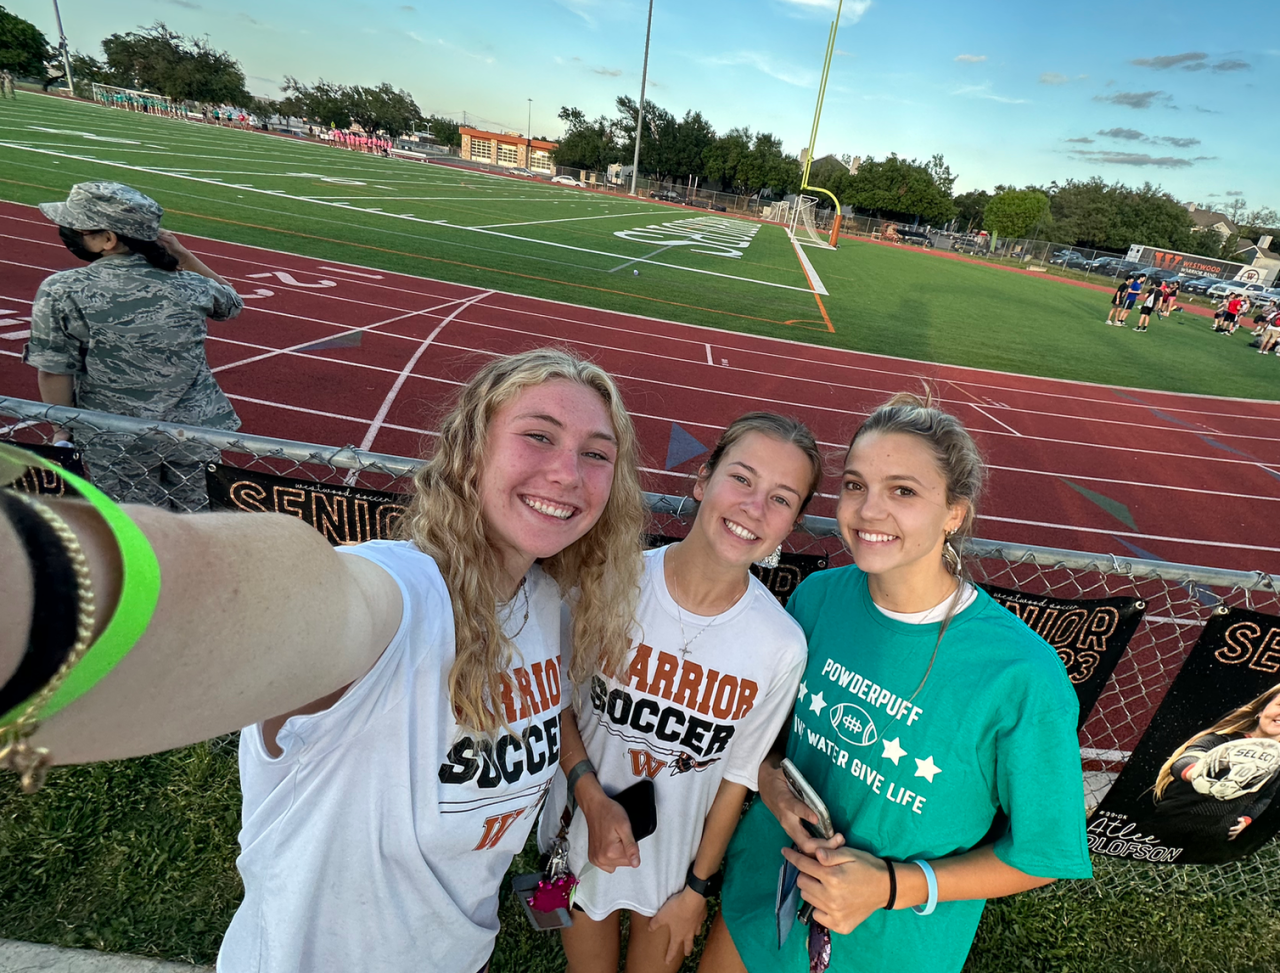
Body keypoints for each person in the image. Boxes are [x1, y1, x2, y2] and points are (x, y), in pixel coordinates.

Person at [0, 347, 647, 973]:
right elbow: (300, 597)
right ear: (472, 450)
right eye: (538, 436)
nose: (569, 472)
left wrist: (587, 791)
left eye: (596, 453)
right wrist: (45, 587)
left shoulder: (547, 604)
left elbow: (551, 707)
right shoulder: (399, 595)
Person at [698, 392, 1092, 973]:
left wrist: (888, 885)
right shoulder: (817, 598)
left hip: (888, 946)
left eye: (902, 491)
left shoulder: (1021, 674)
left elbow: (1041, 855)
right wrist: (772, 786)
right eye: (855, 485)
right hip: (764, 894)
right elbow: (765, 742)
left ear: (954, 513)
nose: (868, 510)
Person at [556, 413, 821, 973]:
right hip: (582, 831)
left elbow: (735, 780)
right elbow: (558, 705)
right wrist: (589, 797)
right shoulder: (611, 579)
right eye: (741, 478)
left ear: (793, 523)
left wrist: (697, 888)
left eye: (780, 498)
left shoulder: (780, 645)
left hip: (673, 868)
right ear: (703, 479)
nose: (753, 507)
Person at [24, 182, 244, 512]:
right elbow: (231, 304)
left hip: (116, 435)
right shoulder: (191, 284)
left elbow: (54, 370)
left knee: (135, 525)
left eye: (78, 228)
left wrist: (62, 428)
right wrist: (184, 255)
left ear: (108, 239)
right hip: (194, 431)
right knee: (199, 521)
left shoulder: (63, 289)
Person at [1143, 685, 1280, 860]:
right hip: (1171, 824)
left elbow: (1266, 796)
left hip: (1214, 836)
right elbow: (1184, 760)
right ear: (1260, 710)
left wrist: (1247, 819)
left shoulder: (1277, 758)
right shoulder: (1221, 739)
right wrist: (1198, 773)